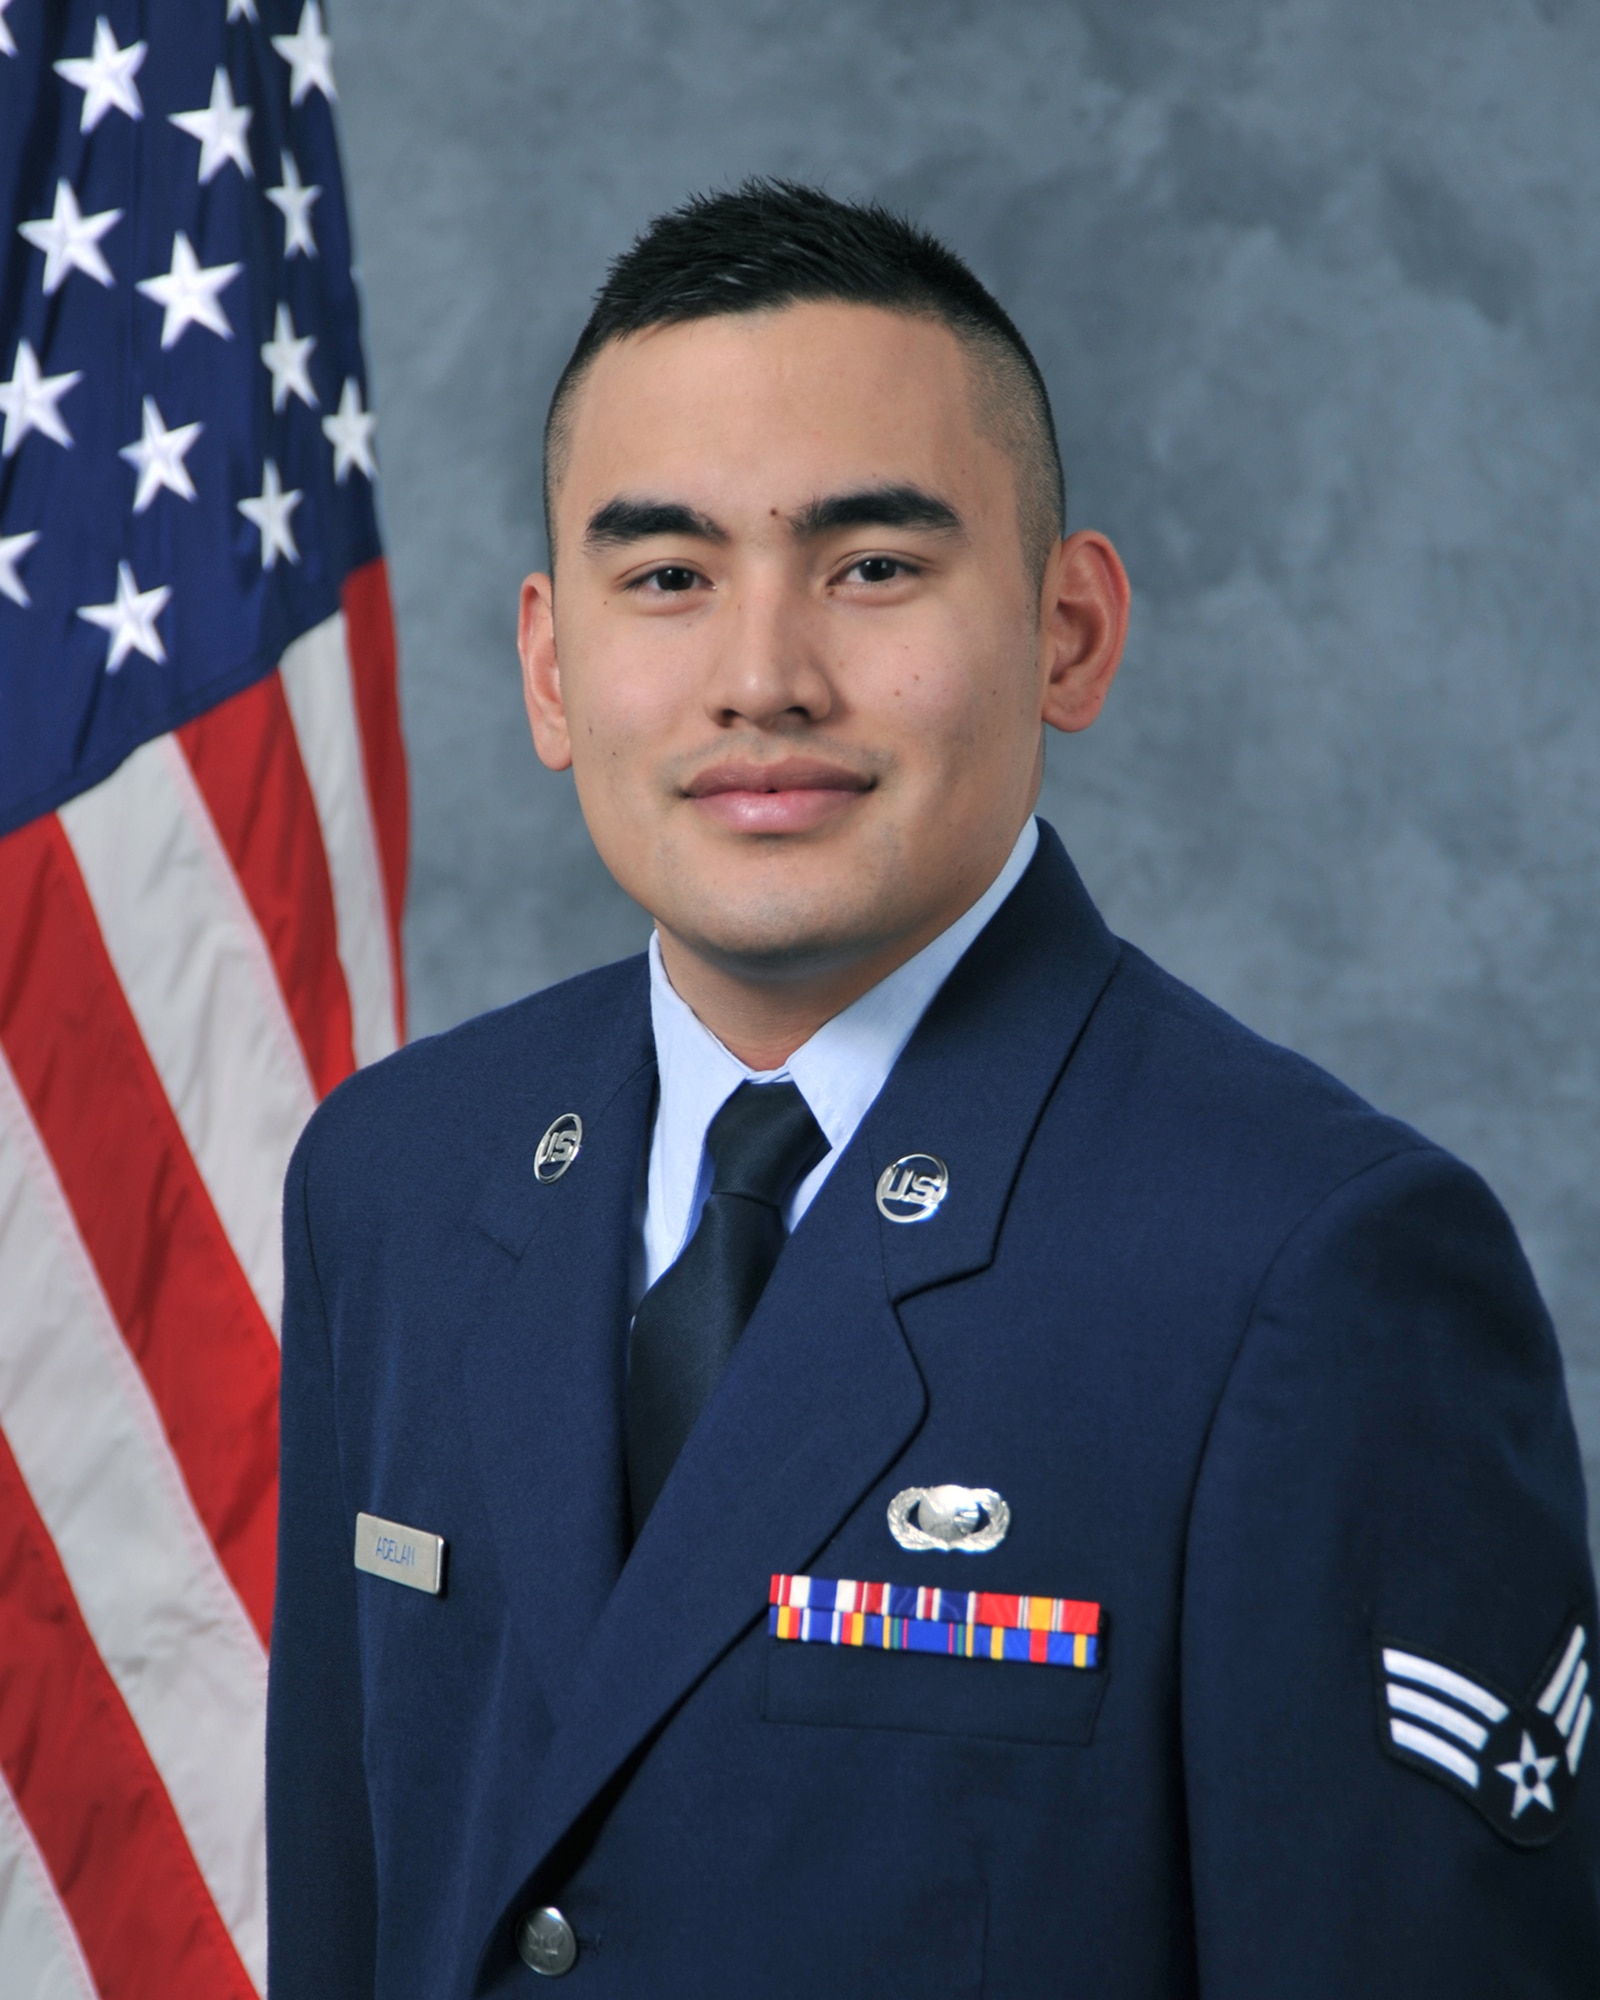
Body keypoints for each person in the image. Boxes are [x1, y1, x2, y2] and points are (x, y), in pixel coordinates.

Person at [266, 180, 1599, 1996]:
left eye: (872, 567)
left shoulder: (1307, 1268)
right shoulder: (400, 1181)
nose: (762, 678)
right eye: (666, 577)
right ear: (551, 664)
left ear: (1071, 631)